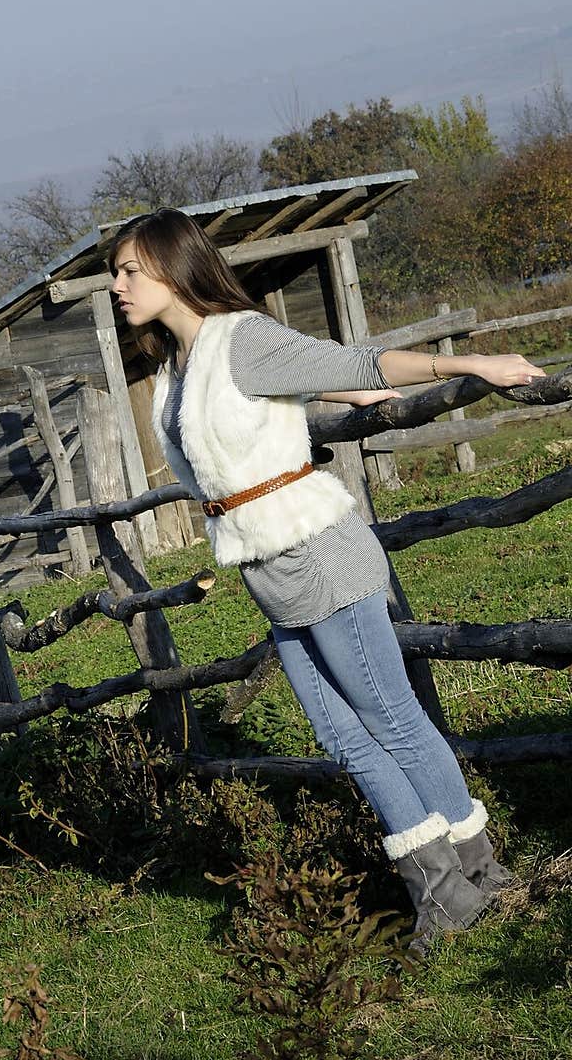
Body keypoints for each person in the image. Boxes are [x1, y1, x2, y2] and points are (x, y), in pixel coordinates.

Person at [108, 207, 543, 955]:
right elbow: (273, 410)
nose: (116, 285)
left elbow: (358, 361)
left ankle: (472, 878)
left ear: (173, 268)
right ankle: (445, 888)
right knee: (344, 737)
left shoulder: (241, 338)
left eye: (128, 270)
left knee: (392, 720)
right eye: (115, 272)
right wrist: (332, 395)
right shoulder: (179, 367)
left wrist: (469, 365)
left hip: (317, 551)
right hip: (267, 566)